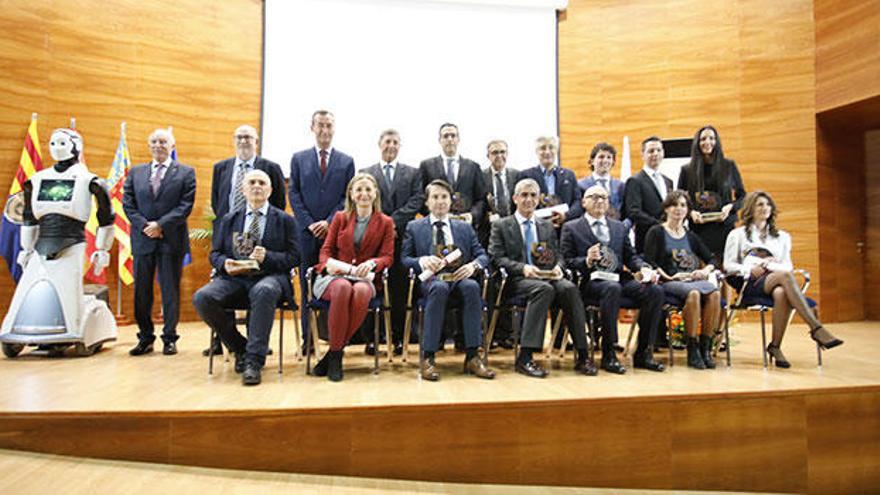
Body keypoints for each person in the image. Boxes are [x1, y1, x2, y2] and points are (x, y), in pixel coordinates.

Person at [1, 128, 117, 356]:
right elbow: (29, 216)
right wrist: (26, 249)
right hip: (41, 244)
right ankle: (16, 327)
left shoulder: (89, 180)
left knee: (69, 289)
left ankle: (74, 328)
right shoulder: (37, 180)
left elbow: (106, 217)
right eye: (53, 143)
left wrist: (103, 249)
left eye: (62, 142)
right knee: (28, 286)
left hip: (73, 242)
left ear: (76, 146)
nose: (57, 147)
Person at [192, 170, 299, 385]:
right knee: (202, 298)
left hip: (271, 277)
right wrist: (225, 264)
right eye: (252, 182)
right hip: (235, 279)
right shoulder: (229, 219)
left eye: (262, 182)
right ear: (243, 189)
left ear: (270, 190)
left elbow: (295, 256)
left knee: (264, 290)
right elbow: (215, 254)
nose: (257, 186)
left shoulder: (285, 220)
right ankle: (240, 346)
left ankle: (253, 361)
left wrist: (268, 256)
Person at [489, 178, 596, 378]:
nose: (528, 199)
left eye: (533, 195)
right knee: (543, 289)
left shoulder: (546, 226)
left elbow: (559, 255)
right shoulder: (501, 225)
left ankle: (582, 355)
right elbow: (496, 258)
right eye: (524, 195)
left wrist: (558, 267)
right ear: (515, 198)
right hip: (516, 280)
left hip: (547, 276)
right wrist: (522, 268)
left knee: (569, 288)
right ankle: (526, 356)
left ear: (538, 199)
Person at [724, 191, 843, 368]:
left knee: (781, 293)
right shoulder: (737, 234)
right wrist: (750, 268)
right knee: (786, 278)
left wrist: (769, 265)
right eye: (760, 205)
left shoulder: (782, 237)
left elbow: (787, 265)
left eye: (767, 204)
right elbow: (728, 265)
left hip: (776, 279)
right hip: (750, 282)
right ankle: (816, 328)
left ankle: (775, 347)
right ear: (750, 209)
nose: (765, 208)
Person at [561, 185, 665, 373]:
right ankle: (609, 352)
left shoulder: (618, 227)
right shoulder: (571, 228)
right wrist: (586, 260)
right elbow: (566, 262)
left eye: (603, 197)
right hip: (590, 281)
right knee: (612, 288)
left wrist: (643, 268)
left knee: (655, 291)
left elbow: (630, 256)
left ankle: (644, 351)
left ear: (608, 202)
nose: (599, 201)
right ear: (584, 202)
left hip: (617, 277)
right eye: (594, 197)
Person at [204, 124, 286, 356]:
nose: (243, 141)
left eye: (248, 137)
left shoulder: (270, 168)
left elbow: (278, 203)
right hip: (229, 235)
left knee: (258, 285)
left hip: (262, 236)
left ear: (256, 141)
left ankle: (255, 340)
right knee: (224, 284)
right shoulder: (221, 168)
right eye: (239, 137)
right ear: (233, 140)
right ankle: (227, 340)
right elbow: (218, 201)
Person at [401, 179, 495, 381]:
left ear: (451, 201)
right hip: (432, 280)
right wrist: (422, 260)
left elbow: (483, 255)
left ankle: (472, 356)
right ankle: (428, 357)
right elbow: (404, 259)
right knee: (440, 288)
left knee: (471, 286)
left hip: (459, 277)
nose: (440, 201)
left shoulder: (464, 228)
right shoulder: (414, 227)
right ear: (427, 202)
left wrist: (473, 266)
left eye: (444, 197)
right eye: (435, 197)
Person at [310, 174, 395, 381]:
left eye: (368, 189)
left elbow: (388, 256)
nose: (364, 194)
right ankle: (337, 356)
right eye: (359, 190)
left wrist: (373, 263)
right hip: (335, 276)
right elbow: (325, 252)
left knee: (361, 291)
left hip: (365, 279)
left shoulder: (385, 222)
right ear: (351, 194)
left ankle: (334, 353)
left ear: (375, 193)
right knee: (343, 289)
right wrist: (336, 266)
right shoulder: (340, 217)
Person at [123, 128, 196, 356]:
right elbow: (128, 203)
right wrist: (145, 226)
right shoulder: (136, 173)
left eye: (163, 141)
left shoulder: (185, 172)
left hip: (170, 240)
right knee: (142, 292)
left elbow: (185, 205)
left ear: (172, 146)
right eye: (154, 141)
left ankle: (169, 338)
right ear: (149, 146)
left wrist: (161, 225)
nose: (158, 145)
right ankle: (145, 338)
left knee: (170, 291)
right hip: (143, 239)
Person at [289, 110, 355, 350]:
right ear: (312, 127)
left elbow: (346, 198)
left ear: (334, 129)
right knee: (307, 285)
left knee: (336, 284)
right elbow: (293, 194)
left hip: (335, 234)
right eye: (320, 125)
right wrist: (309, 222)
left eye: (329, 125)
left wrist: (329, 222)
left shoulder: (346, 161)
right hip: (306, 235)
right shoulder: (298, 159)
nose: (324, 130)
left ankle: (335, 338)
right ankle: (308, 339)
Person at [643, 190, 722, 369]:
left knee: (715, 294)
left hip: (692, 280)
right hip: (669, 281)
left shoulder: (690, 235)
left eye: (683, 205)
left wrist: (705, 270)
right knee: (694, 294)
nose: (678, 209)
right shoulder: (656, 232)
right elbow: (649, 262)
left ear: (687, 210)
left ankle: (705, 348)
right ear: (666, 209)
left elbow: (712, 258)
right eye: (674, 205)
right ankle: (692, 348)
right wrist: (670, 276)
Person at [361, 130, 423, 356]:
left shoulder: (413, 173)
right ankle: (373, 338)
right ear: (379, 144)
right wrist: (383, 223)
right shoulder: (366, 173)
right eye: (387, 141)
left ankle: (397, 337)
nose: (391, 146)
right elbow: (362, 199)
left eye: (395, 142)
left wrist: (392, 222)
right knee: (370, 284)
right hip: (373, 237)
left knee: (399, 287)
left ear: (400, 145)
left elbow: (417, 199)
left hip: (402, 237)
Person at [677, 125, 746, 263]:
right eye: (703, 139)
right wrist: (690, 213)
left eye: (712, 138)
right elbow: (679, 199)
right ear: (697, 142)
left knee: (725, 268)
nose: (707, 142)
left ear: (717, 141)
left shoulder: (729, 166)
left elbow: (742, 196)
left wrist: (730, 207)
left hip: (724, 226)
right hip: (699, 228)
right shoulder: (686, 170)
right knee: (702, 268)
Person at [481, 139, 519, 349]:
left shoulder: (516, 175)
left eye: (503, 152)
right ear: (488, 155)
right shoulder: (481, 176)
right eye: (494, 152)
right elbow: (478, 202)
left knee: (511, 284)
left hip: (513, 237)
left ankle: (508, 333)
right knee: (492, 285)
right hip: (489, 237)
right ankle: (491, 333)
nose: (499, 156)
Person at [419, 123, 487, 230]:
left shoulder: (473, 166)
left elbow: (481, 199)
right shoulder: (427, 166)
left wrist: (472, 215)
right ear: (440, 140)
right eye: (445, 136)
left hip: (466, 226)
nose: (450, 139)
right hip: (437, 226)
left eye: (453, 135)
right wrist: (436, 213)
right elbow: (421, 197)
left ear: (458, 139)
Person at [516, 136, 582, 230]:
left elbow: (578, 201)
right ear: (536, 152)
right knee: (538, 246)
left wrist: (565, 215)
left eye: (551, 147)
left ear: (556, 150)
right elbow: (520, 204)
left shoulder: (569, 175)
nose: (547, 152)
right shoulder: (526, 175)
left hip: (566, 228)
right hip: (537, 229)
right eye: (543, 148)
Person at [624, 136, 674, 253]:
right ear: (643, 155)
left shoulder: (668, 181)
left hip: (669, 239)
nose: (655, 154)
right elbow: (633, 211)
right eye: (651, 151)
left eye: (659, 150)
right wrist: (661, 225)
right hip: (647, 239)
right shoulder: (635, 181)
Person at [577, 142, 626, 222]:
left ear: (613, 162)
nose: (605, 160)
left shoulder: (620, 186)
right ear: (592, 161)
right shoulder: (581, 185)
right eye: (601, 157)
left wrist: (623, 227)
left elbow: (625, 211)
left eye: (609, 157)